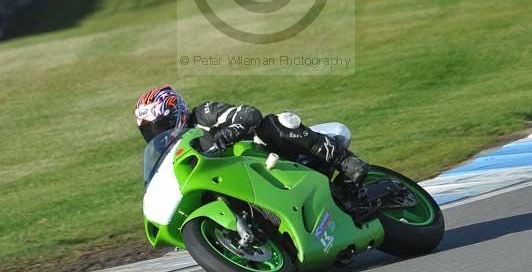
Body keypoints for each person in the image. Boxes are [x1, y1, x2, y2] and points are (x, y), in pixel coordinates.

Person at [134, 85, 368, 186]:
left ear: (177, 112)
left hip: (265, 158)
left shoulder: (203, 114)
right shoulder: (172, 153)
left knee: (274, 123)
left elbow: (249, 113)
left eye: (161, 125)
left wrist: (231, 131)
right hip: (237, 180)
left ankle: (345, 160)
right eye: (151, 131)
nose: (159, 133)